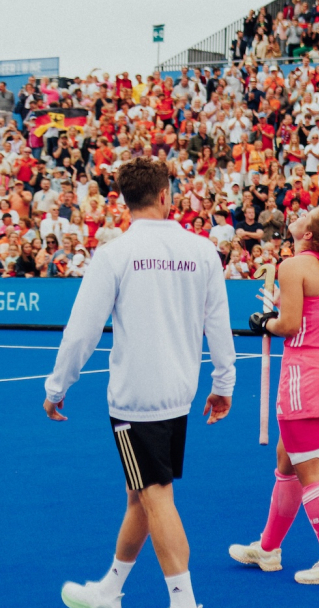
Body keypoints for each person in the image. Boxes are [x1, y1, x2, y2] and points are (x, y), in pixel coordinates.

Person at [49, 157, 237, 608]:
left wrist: (57, 387)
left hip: (135, 399)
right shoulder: (202, 251)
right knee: (140, 494)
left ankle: (183, 600)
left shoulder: (115, 253)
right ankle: (110, 590)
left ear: (124, 200)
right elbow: (219, 324)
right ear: (165, 195)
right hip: (179, 394)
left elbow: (81, 331)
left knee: (155, 495)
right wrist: (224, 383)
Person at [229, 206, 319, 585]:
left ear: (309, 234)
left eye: (309, 215)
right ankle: (268, 548)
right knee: (287, 461)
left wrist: (265, 323)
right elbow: (308, 313)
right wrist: (279, 308)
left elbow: (289, 325)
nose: (302, 214)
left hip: (305, 374)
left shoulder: (295, 266)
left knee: (311, 471)